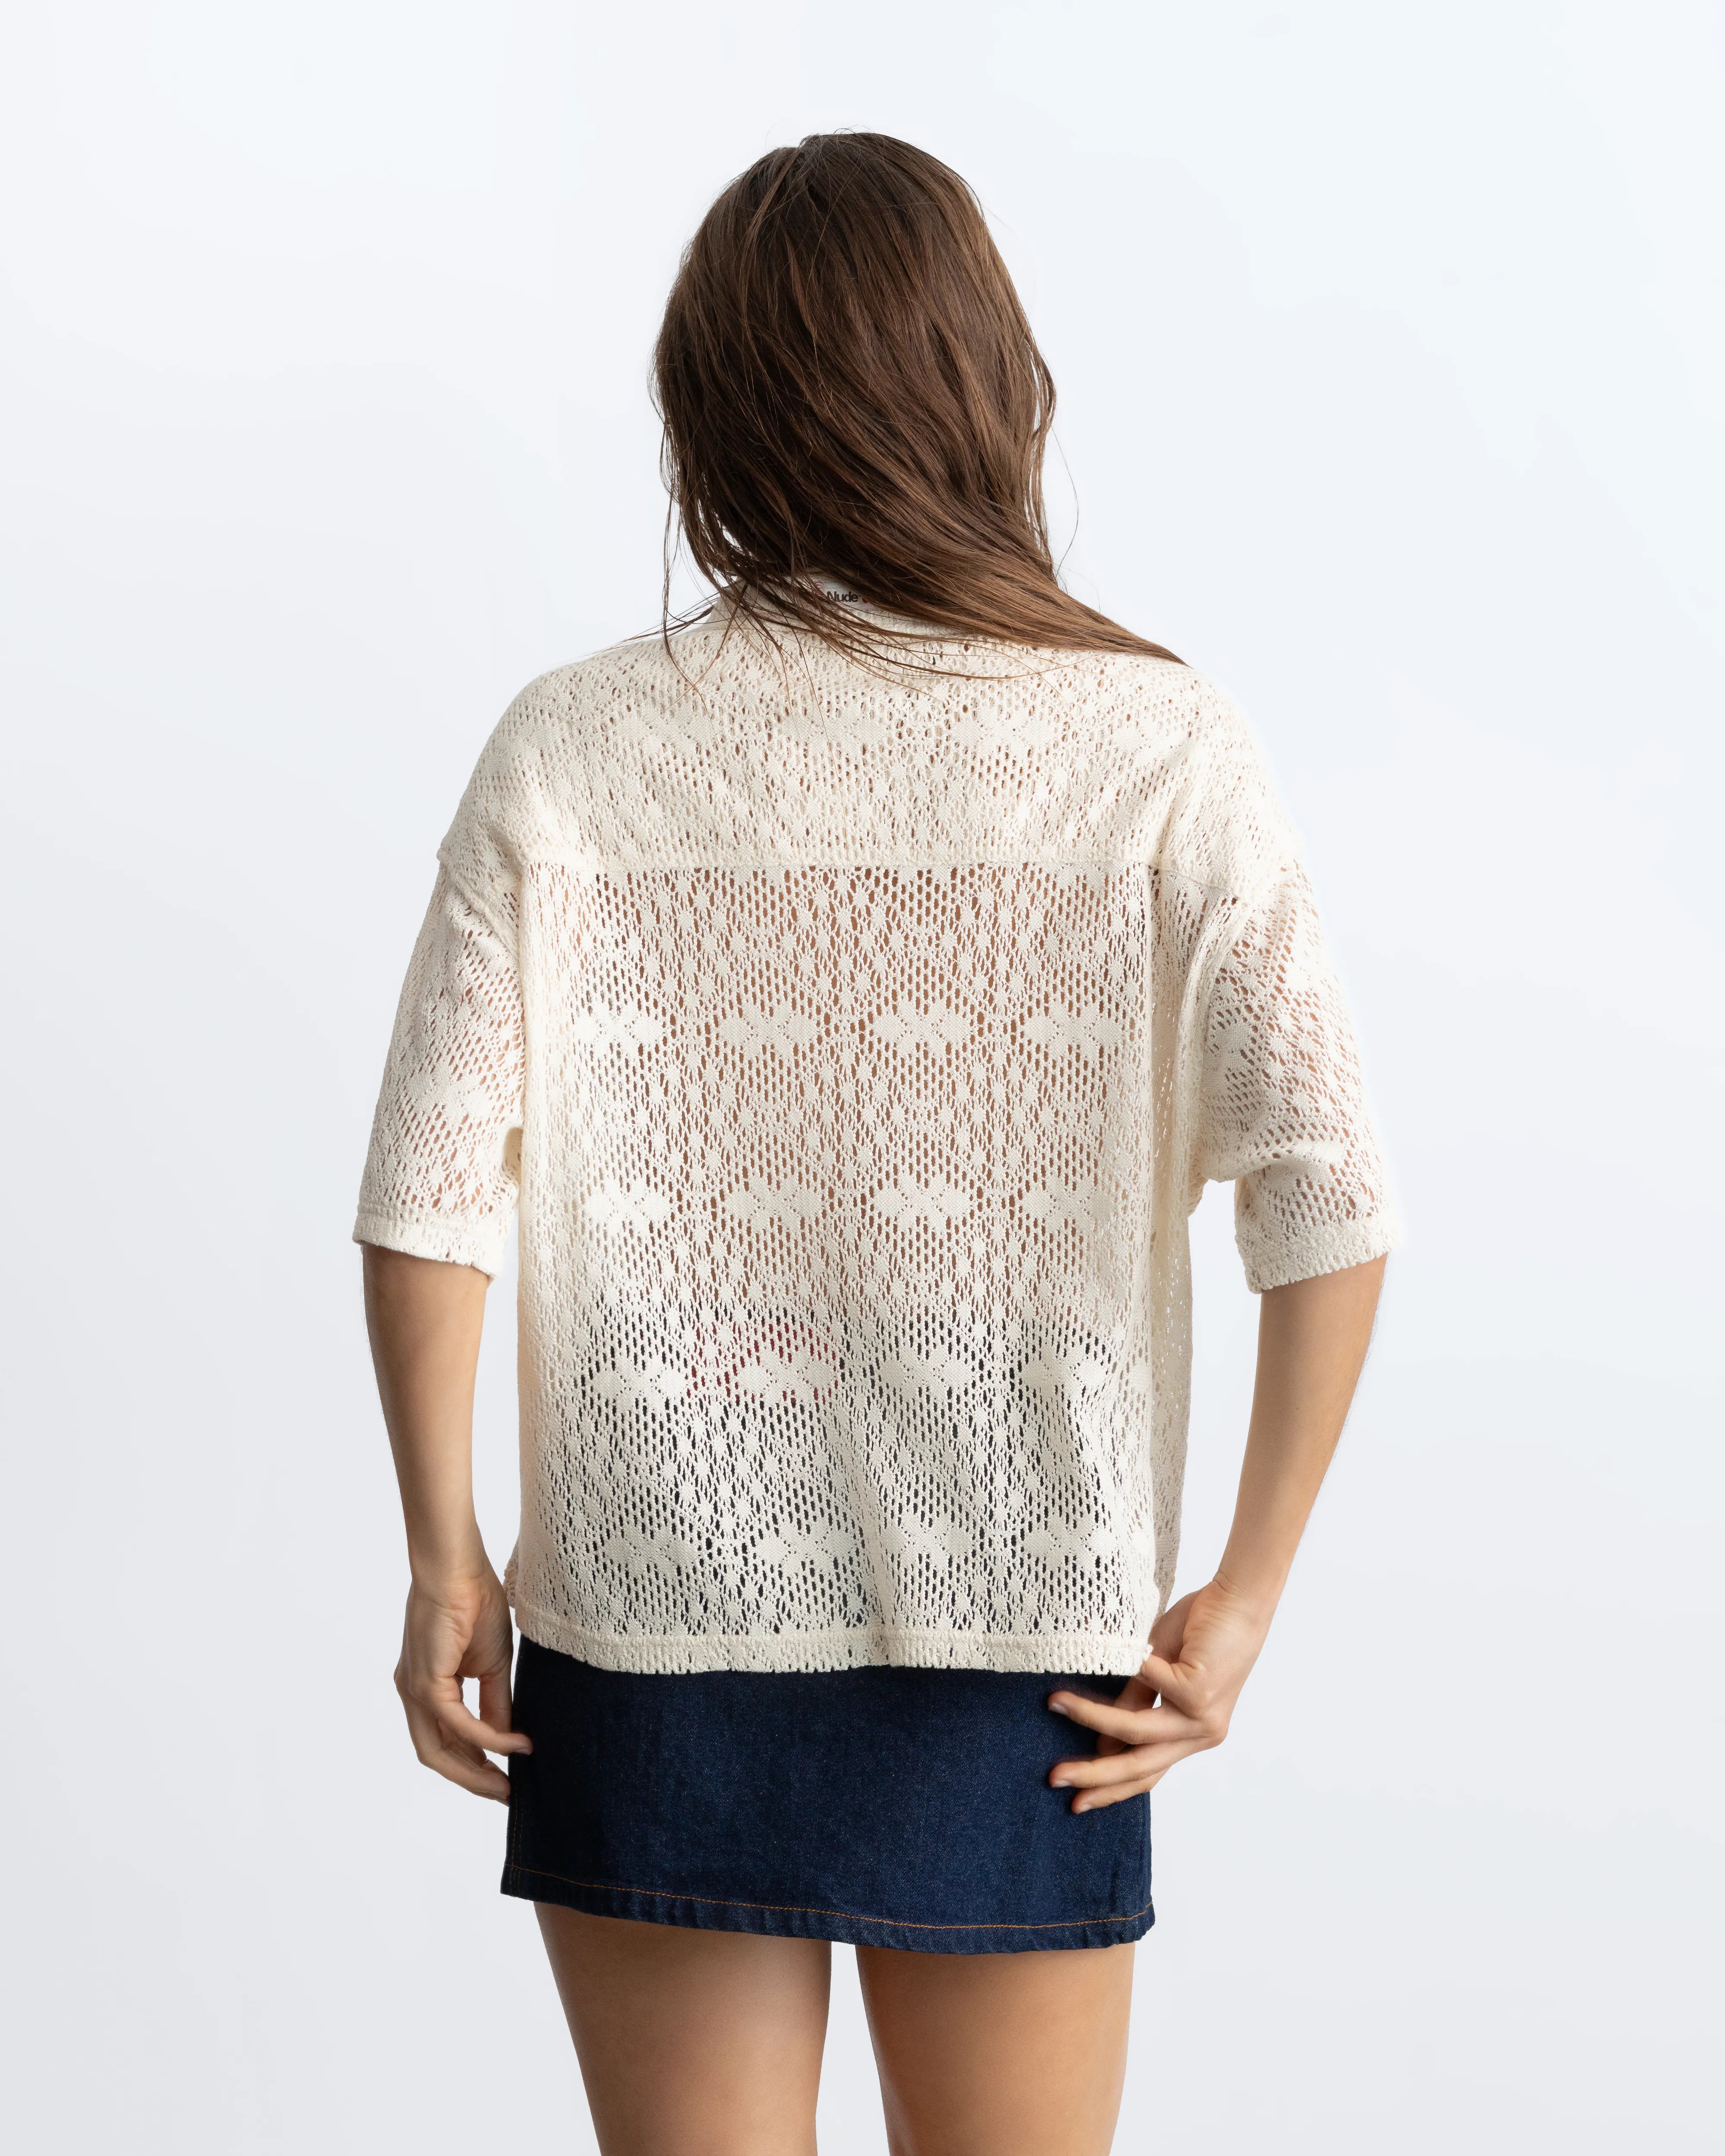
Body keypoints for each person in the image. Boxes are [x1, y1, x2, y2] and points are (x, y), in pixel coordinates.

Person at [356, 131, 1399, 2156]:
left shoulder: (570, 744)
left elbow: (423, 1191)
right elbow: (1330, 1188)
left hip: (651, 1606)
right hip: (1026, 1632)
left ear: (708, 412)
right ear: (996, 391)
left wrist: (442, 1557)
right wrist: (1246, 1588)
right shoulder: (1157, 744)